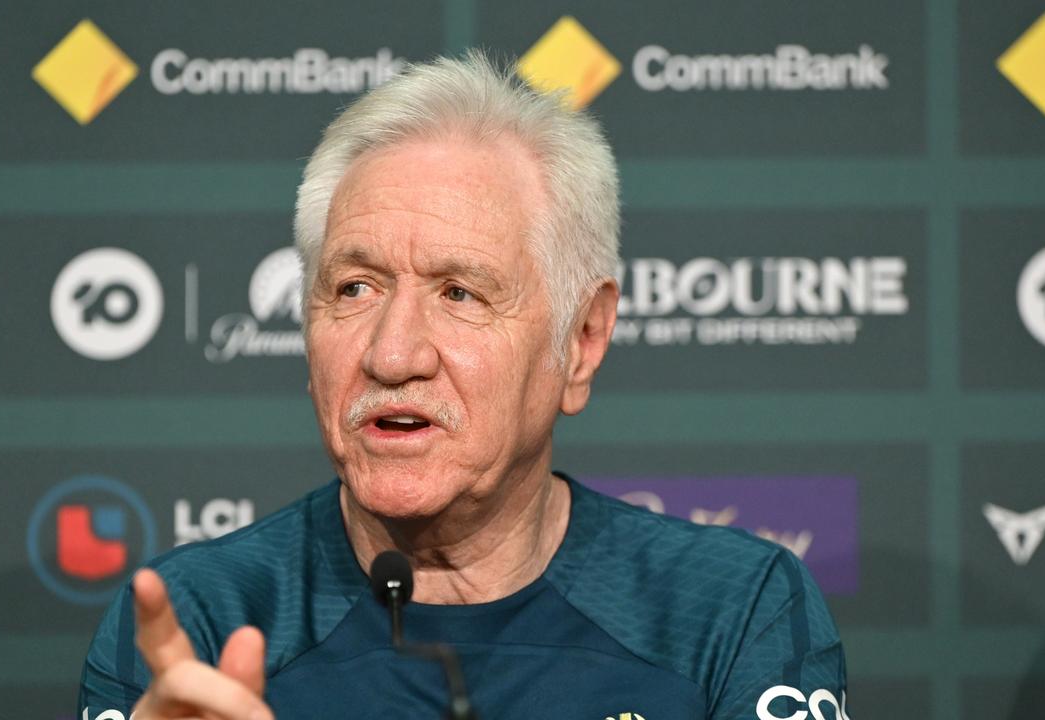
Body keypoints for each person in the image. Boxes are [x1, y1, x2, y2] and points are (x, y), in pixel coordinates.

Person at [78, 52, 849, 720]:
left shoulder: (730, 609)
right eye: (353, 288)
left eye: (460, 294)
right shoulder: (198, 623)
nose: (392, 353)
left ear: (581, 342)